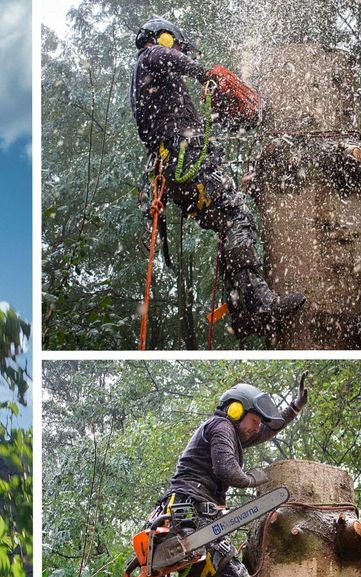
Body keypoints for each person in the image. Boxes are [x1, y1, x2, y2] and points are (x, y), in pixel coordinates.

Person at [130, 17, 305, 338]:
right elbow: (169, 58)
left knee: (228, 228)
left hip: (180, 174)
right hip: (187, 165)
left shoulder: (156, 86)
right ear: (163, 38)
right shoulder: (152, 55)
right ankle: (259, 301)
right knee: (239, 218)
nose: (179, 50)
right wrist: (206, 73)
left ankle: (243, 315)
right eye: (177, 45)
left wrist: (230, 114)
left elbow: (197, 122)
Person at [151, 375, 312, 577]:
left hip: (185, 526)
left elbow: (268, 429)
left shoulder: (233, 432)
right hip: (189, 522)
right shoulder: (221, 426)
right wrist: (256, 477)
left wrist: (294, 408)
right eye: (253, 420)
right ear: (237, 410)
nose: (256, 429)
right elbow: (229, 472)